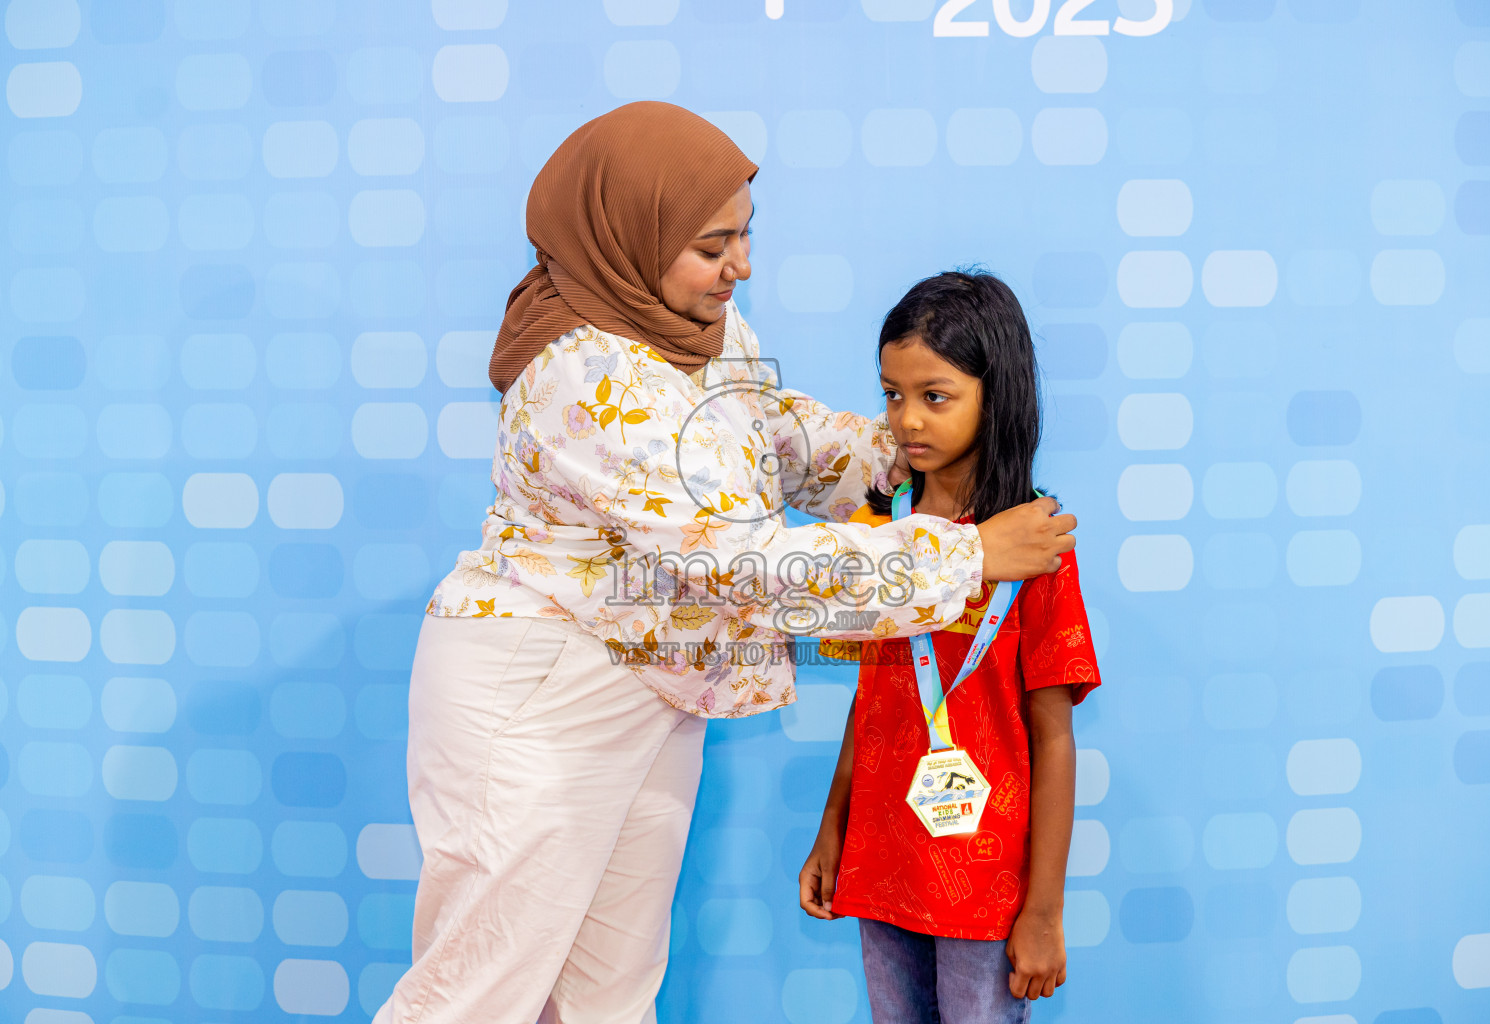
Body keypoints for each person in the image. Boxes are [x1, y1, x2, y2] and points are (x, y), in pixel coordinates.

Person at [374, 104, 1077, 1024]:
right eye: (714, 246)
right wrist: (965, 552)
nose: (740, 265)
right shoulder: (587, 374)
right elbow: (742, 565)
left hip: (652, 686)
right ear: (633, 232)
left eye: (746, 236)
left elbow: (769, 432)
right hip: (541, 695)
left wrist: (899, 448)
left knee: (608, 996)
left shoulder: (695, 323)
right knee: (478, 989)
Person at [799, 271, 1102, 1024]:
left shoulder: (1036, 546)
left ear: (995, 396)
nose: (906, 420)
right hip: (885, 859)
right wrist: (834, 828)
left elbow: (1055, 741)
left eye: (935, 396)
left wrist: (1043, 911)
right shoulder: (882, 536)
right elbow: (873, 699)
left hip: (987, 881)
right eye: (892, 394)